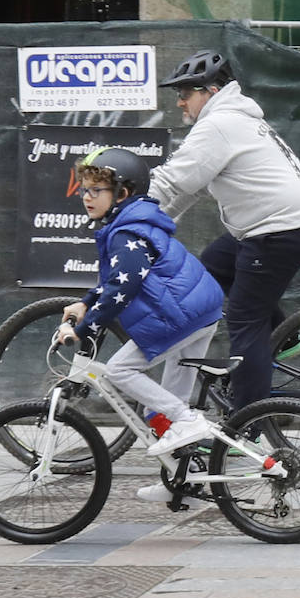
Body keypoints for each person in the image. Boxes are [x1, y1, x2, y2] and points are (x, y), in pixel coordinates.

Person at [149, 49, 300, 413]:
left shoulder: (218, 125)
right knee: (211, 268)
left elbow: (172, 179)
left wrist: (130, 216)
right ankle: (283, 335)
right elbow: (192, 187)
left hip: (279, 229)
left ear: (212, 92)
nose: (180, 101)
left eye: (186, 92)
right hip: (291, 222)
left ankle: (246, 430)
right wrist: (157, 221)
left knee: (245, 323)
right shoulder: (233, 120)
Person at [55, 147, 224, 502]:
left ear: (122, 193)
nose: (85, 197)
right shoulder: (131, 222)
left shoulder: (124, 232)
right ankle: (185, 480)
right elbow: (118, 279)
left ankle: (188, 421)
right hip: (199, 309)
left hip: (182, 314)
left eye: (95, 190)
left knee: (119, 371)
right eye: (83, 189)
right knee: (159, 408)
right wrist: (86, 303)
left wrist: (82, 329)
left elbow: (123, 286)